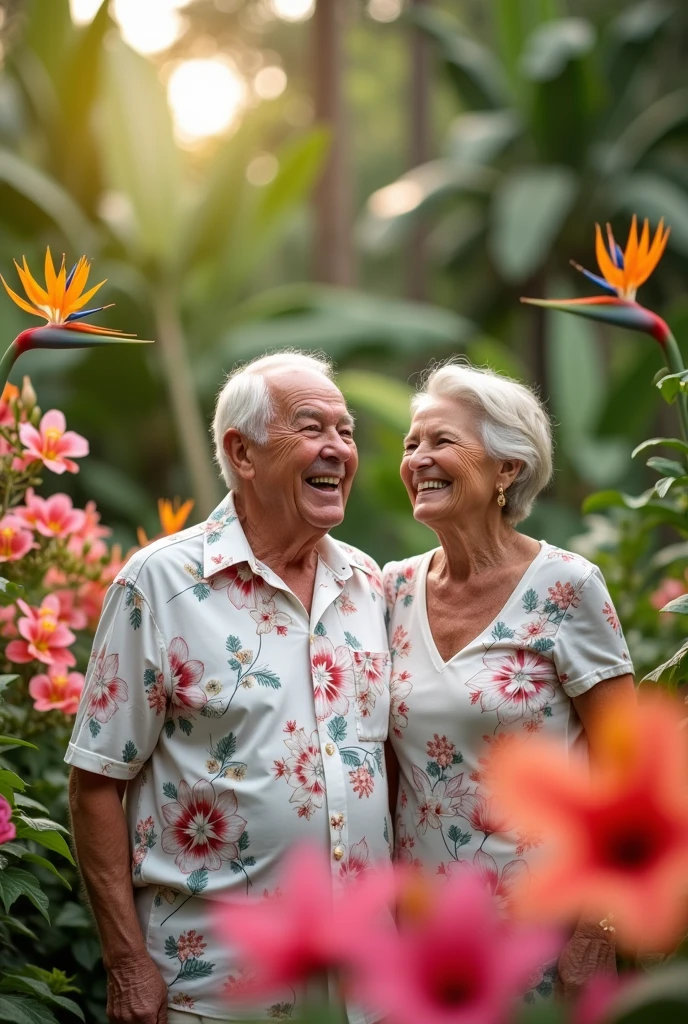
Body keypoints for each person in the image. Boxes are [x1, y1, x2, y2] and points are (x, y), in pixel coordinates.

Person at [66, 352, 391, 1024]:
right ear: (241, 453)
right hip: (214, 988)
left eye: (346, 430)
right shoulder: (159, 584)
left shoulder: (369, 585)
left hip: (364, 989)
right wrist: (127, 965)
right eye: (311, 428)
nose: (337, 448)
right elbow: (96, 780)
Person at [383, 360, 636, 999]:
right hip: (428, 944)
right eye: (412, 444)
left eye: (442, 441)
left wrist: (597, 930)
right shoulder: (389, 590)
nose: (418, 458)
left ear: (507, 468)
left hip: (545, 938)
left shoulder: (567, 587)